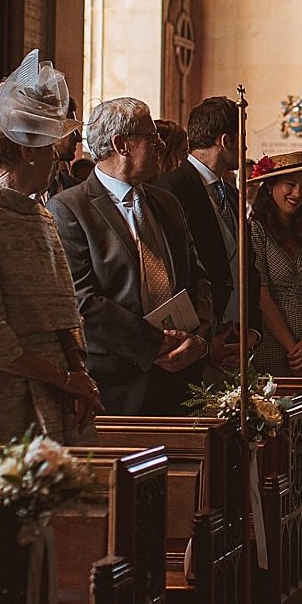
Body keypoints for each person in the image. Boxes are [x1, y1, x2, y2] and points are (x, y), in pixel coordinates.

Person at [48, 97, 211, 417]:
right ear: (121, 144)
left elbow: (198, 278)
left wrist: (200, 340)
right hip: (119, 384)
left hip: (182, 378)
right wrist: (156, 346)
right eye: (152, 137)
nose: (161, 144)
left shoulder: (167, 203)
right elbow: (83, 301)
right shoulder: (70, 208)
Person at [0, 53, 100, 440]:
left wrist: (78, 373)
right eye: (49, 146)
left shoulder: (41, 213)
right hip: (7, 394)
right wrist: (65, 379)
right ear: (28, 150)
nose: (56, 157)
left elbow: (66, 310)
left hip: (60, 391)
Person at [158, 96, 246, 333]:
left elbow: (246, 263)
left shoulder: (230, 192)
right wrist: (204, 335)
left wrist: (251, 328)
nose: (246, 147)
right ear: (226, 141)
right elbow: (173, 273)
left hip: (236, 333)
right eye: (243, 138)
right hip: (199, 334)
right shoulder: (170, 189)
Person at [249, 151, 302, 377]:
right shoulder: (256, 231)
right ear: (270, 186)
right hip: (271, 341)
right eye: (290, 185)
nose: (298, 193)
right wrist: (292, 349)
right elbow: (261, 296)